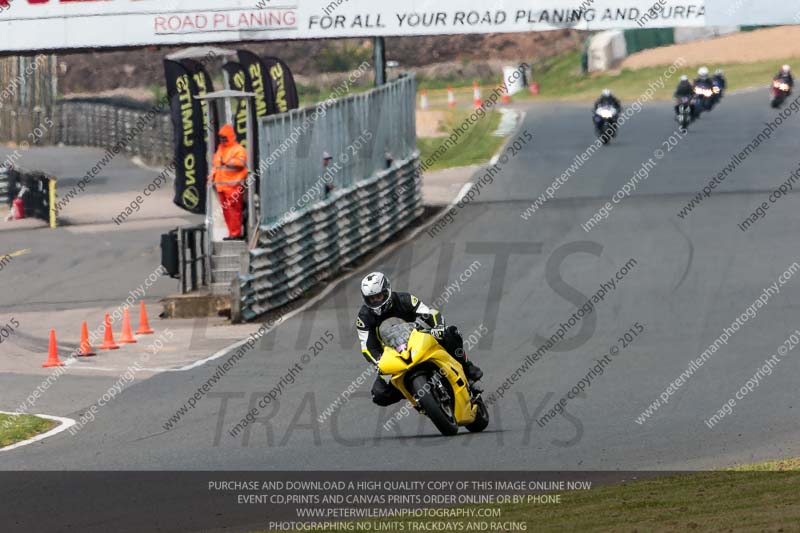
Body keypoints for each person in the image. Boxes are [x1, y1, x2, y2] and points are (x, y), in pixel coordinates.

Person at [355, 272, 483, 407]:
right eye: (371, 299)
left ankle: (466, 366)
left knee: (451, 333)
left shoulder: (404, 299)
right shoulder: (364, 317)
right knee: (379, 394)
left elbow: (429, 313)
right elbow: (367, 346)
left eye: (378, 296)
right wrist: (378, 362)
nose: (376, 301)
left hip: (419, 340)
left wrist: (438, 328)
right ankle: (414, 392)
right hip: (393, 356)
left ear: (387, 291)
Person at [209, 124, 247, 241]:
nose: (222, 140)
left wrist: (225, 161)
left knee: (234, 211)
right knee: (227, 212)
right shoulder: (220, 149)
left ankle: (235, 233)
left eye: (224, 137)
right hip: (221, 187)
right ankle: (232, 233)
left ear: (230, 136)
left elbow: (240, 163)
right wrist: (211, 176)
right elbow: (216, 165)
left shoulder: (238, 149)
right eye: (221, 137)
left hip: (233, 186)